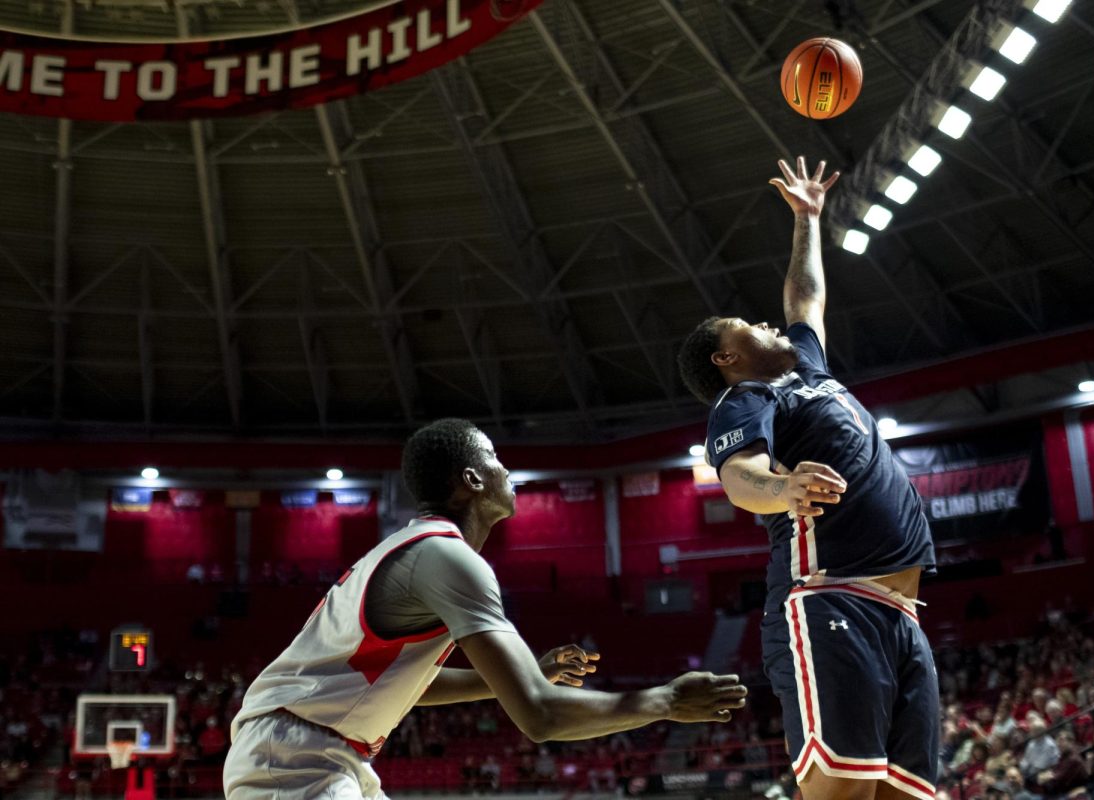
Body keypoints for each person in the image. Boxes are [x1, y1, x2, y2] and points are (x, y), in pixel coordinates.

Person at [223, 418, 747, 800]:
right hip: (294, 754)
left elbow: (408, 680)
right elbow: (540, 716)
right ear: (472, 481)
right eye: (495, 458)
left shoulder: (416, 550)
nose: (506, 469)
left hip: (319, 748)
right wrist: (664, 700)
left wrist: (519, 674)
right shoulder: (447, 558)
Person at [677, 156, 938, 800]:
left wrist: (806, 220)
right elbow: (738, 476)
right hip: (829, 598)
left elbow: (806, 298)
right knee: (841, 793)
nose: (767, 323)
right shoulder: (744, 399)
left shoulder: (810, 372)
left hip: (901, 614)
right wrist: (783, 489)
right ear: (727, 358)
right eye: (748, 326)